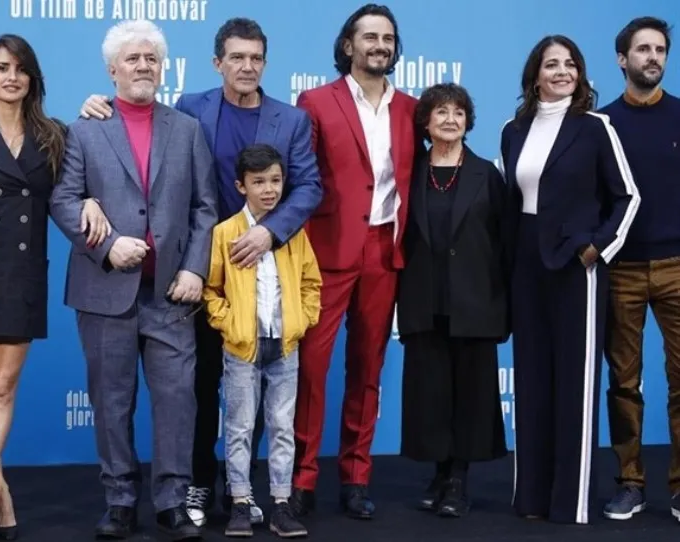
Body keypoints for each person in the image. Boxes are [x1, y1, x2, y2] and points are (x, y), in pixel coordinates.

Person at [77, 18, 322, 526]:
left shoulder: (290, 120)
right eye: (237, 57)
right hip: (206, 273)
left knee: (253, 390)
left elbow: (308, 187)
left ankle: (248, 490)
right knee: (203, 385)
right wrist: (93, 103)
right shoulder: (192, 109)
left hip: (258, 266)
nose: (247, 66)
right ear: (218, 63)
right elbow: (129, 117)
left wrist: (269, 232)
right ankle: (195, 487)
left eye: (255, 58)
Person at [49, 19, 218, 540]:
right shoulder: (83, 128)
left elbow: (205, 207)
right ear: (111, 69)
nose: (143, 66)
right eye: (133, 59)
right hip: (104, 293)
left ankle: (171, 501)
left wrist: (193, 268)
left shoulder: (187, 128)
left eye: (151, 58)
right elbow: (63, 199)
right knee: (112, 401)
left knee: (177, 402)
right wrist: (104, 245)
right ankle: (120, 499)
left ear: (162, 66)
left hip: (171, 294)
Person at [0, 34, 111, 541]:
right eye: (1, 67)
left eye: (20, 68)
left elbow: (81, 182)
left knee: (1, 385)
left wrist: (91, 201)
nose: (11, 76)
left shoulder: (55, 136)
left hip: (21, 274)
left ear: (32, 78)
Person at [500, 34, 640, 525]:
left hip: (576, 266)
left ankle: (570, 501)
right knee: (532, 383)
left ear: (580, 74)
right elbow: (512, 205)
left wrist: (596, 248)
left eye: (570, 65)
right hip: (527, 264)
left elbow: (628, 198)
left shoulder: (595, 128)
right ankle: (532, 499)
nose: (562, 71)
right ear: (534, 73)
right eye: (551, 64)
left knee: (574, 387)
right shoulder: (512, 129)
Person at [289, 3, 421, 519]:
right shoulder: (315, 101)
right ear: (348, 45)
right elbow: (301, 175)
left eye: (388, 38)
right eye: (370, 36)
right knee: (312, 370)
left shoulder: (413, 109)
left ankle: (356, 477)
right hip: (327, 251)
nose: (380, 45)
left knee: (369, 370)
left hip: (385, 250)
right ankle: (301, 478)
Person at [396, 83, 510, 519]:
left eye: (458, 112)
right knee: (432, 395)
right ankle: (440, 472)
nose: (450, 119)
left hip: (475, 303)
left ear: (468, 121)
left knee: (471, 396)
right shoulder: (410, 173)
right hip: (424, 301)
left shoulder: (487, 174)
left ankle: (459, 478)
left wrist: (502, 307)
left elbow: (504, 243)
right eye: (440, 112)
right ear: (425, 122)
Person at [203, 144, 321, 538]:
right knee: (238, 427)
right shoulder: (224, 234)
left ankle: (281, 505)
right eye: (258, 182)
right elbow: (211, 289)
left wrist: (301, 322)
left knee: (282, 426)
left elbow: (311, 284)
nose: (269, 189)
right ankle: (239, 502)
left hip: (284, 347)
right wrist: (229, 324)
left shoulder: (293, 232)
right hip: (241, 348)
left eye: (275, 180)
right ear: (241, 186)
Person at [599, 16, 679, 522]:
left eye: (661, 49)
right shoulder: (601, 125)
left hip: (679, 265)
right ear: (622, 59)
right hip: (620, 271)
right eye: (642, 49)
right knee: (624, 383)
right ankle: (630, 482)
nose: (653, 57)